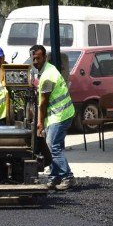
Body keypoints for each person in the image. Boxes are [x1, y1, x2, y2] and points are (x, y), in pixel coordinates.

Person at [31, 44, 76, 190]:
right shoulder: (46, 70)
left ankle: (67, 177)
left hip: (61, 114)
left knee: (52, 147)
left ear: (44, 57)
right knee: (55, 146)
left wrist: (39, 123)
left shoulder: (48, 76)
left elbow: (43, 103)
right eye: (33, 58)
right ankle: (54, 177)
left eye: (38, 58)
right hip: (58, 114)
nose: (35, 61)